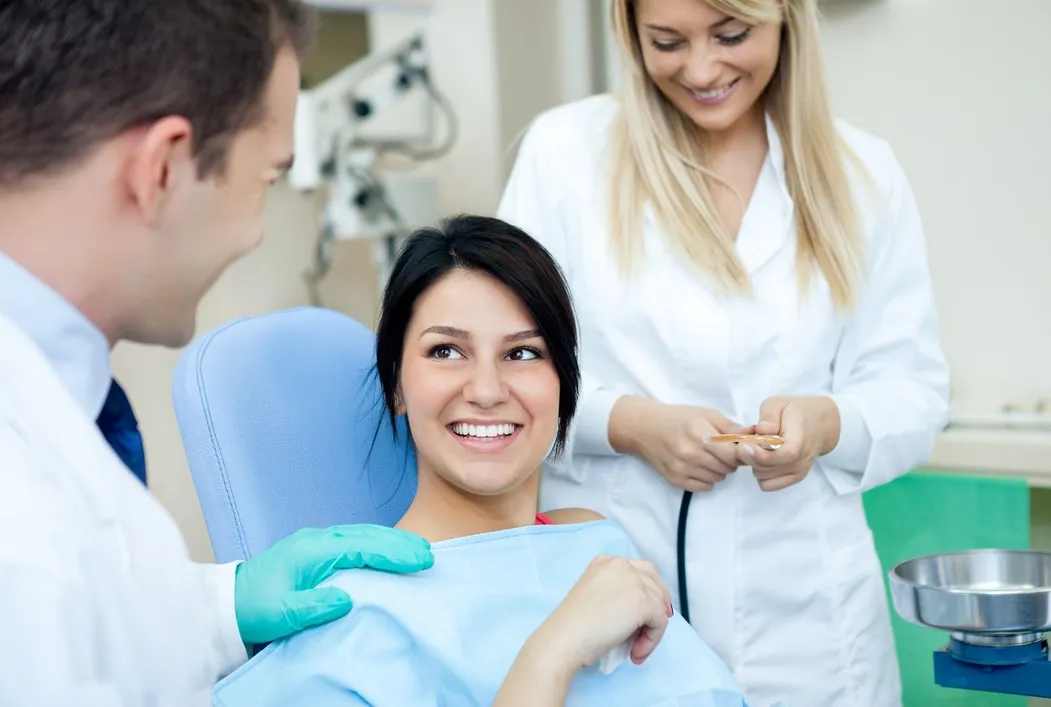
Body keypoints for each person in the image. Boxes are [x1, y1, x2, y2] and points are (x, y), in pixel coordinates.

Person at [496, 0, 950, 705]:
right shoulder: (564, 155)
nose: (701, 69)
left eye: (731, 35)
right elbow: (507, 369)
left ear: (785, 20)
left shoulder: (864, 172)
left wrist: (824, 423)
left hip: (813, 636)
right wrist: (631, 425)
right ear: (629, 32)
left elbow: (913, 388)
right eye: (667, 42)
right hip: (617, 617)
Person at [0, 2, 434, 705]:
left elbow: (93, 613)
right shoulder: (20, 528)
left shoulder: (48, 397)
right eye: (265, 178)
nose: (254, 235)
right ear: (163, 166)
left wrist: (225, 603)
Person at [209, 215, 763, 707]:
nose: (487, 389)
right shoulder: (348, 623)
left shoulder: (595, 548)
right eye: (446, 351)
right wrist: (553, 651)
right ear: (395, 386)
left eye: (523, 353)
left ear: (565, 387)